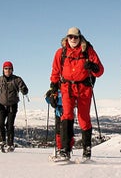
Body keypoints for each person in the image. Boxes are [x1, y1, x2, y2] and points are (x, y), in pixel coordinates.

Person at [47, 27, 104, 160]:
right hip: (66, 87)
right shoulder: (60, 53)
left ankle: (86, 150)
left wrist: (93, 67)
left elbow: (100, 71)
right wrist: (53, 88)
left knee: (83, 117)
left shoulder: (88, 51)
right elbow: (55, 71)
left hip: (84, 87)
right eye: (70, 37)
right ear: (67, 37)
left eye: (75, 37)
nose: (73, 39)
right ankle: (66, 150)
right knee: (66, 115)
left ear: (80, 37)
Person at [0, 61, 29, 152]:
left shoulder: (17, 79)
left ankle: (10, 144)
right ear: (3, 70)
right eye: (6, 68)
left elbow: (24, 88)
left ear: (12, 70)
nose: (7, 70)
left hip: (12, 105)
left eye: (9, 69)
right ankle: (2, 141)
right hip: (1, 105)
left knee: (9, 125)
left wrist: (24, 90)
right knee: (0, 124)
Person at [45, 90, 74, 156]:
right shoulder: (55, 89)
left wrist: (50, 97)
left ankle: (65, 148)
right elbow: (48, 100)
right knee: (60, 130)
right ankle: (61, 148)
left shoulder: (64, 88)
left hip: (65, 111)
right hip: (59, 112)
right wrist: (49, 97)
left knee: (65, 130)